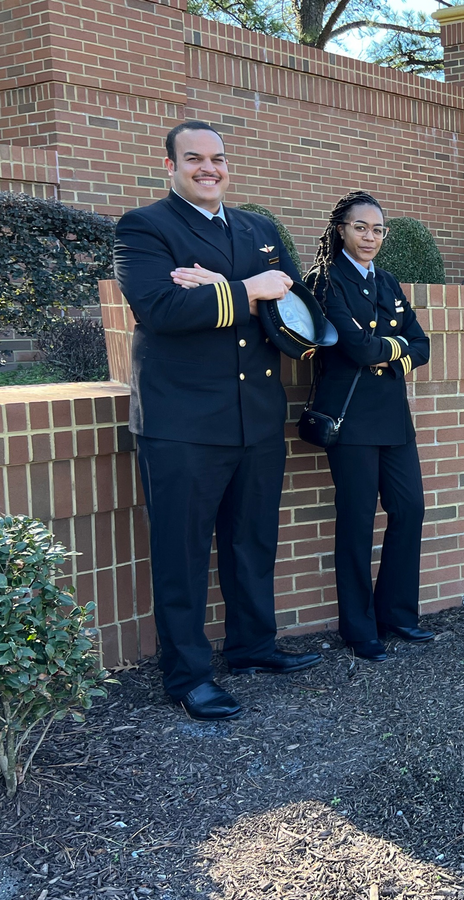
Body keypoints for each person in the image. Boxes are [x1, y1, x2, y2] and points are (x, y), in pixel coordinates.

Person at [113, 121, 320, 721]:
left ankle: (253, 648)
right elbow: (161, 309)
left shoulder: (258, 229)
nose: (210, 168)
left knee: (251, 541)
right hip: (182, 422)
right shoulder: (145, 226)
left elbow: (297, 311)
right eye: (195, 159)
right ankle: (188, 675)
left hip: (255, 417)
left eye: (219, 159)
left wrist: (224, 289)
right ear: (171, 166)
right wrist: (247, 289)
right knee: (182, 552)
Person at [305, 191, 433, 661]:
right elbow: (356, 348)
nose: (370, 237)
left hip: (394, 418)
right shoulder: (325, 281)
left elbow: (421, 345)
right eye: (361, 227)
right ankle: (359, 630)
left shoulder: (388, 281)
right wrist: (391, 347)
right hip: (352, 419)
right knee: (357, 523)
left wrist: (385, 347)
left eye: (378, 229)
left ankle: (396, 614)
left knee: (410, 508)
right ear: (341, 229)